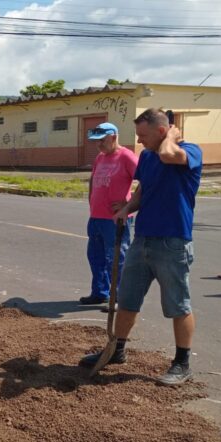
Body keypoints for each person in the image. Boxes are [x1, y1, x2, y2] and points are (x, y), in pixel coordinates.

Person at [79, 108, 203, 386]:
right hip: (142, 238)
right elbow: (143, 189)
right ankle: (116, 350)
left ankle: (182, 363)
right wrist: (127, 208)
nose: (139, 141)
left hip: (173, 241)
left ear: (162, 131)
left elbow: (169, 156)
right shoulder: (147, 156)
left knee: (177, 304)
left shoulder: (190, 151)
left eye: (144, 135)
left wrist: (171, 136)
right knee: (128, 297)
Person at [80, 122, 138, 306]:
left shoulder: (127, 157)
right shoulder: (100, 158)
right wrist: (91, 201)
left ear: (114, 137)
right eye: (96, 141)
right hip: (96, 218)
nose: (99, 145)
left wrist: (128, 204)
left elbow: (148, 182)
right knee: (95, 257)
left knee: (117, 260)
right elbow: (93, 180)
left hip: (115, 220)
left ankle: (120, 297)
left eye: (102, 141)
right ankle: (100, 292)